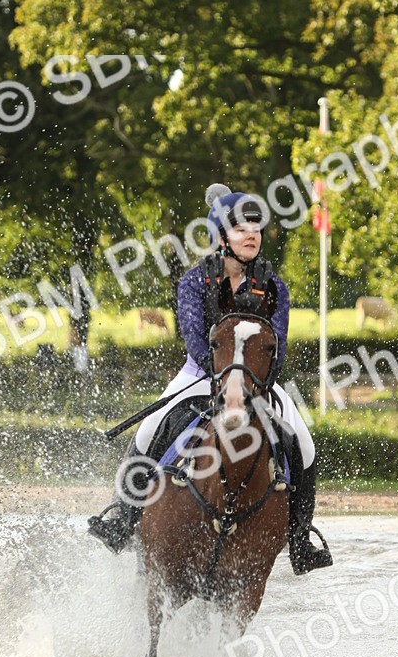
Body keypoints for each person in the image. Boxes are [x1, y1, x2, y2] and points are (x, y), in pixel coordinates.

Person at [88, 182, 332, 575]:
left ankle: (300, 541)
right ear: (222, 237)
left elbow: (279, 344)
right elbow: (193, 336)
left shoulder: (272, 286)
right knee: (151, 430)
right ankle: (123, 518)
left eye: (255, 227)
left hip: (257, 384)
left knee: (303, 441)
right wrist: (220, 374)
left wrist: (254, 378)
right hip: (200, 376)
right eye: (241, 228)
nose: (251, 234)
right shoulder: (195, 280)